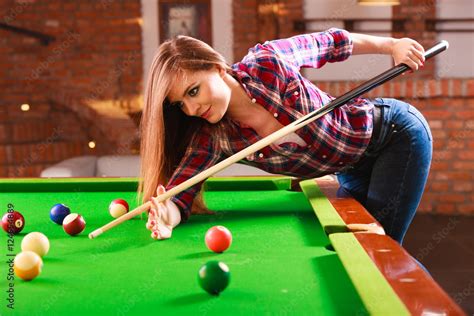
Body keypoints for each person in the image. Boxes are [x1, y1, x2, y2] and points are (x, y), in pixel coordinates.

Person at [139, 28, 431, 245]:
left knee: (381, 252)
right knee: (367, 250)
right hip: (350, 166)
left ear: (215, 66)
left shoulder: (268, 62)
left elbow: (332, 42)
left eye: (193, 91)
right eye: (180, 104)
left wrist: (394, 44)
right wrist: (167, 216)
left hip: (394, 136)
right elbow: (179, 194)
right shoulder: (212, 137)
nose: (191, 109)